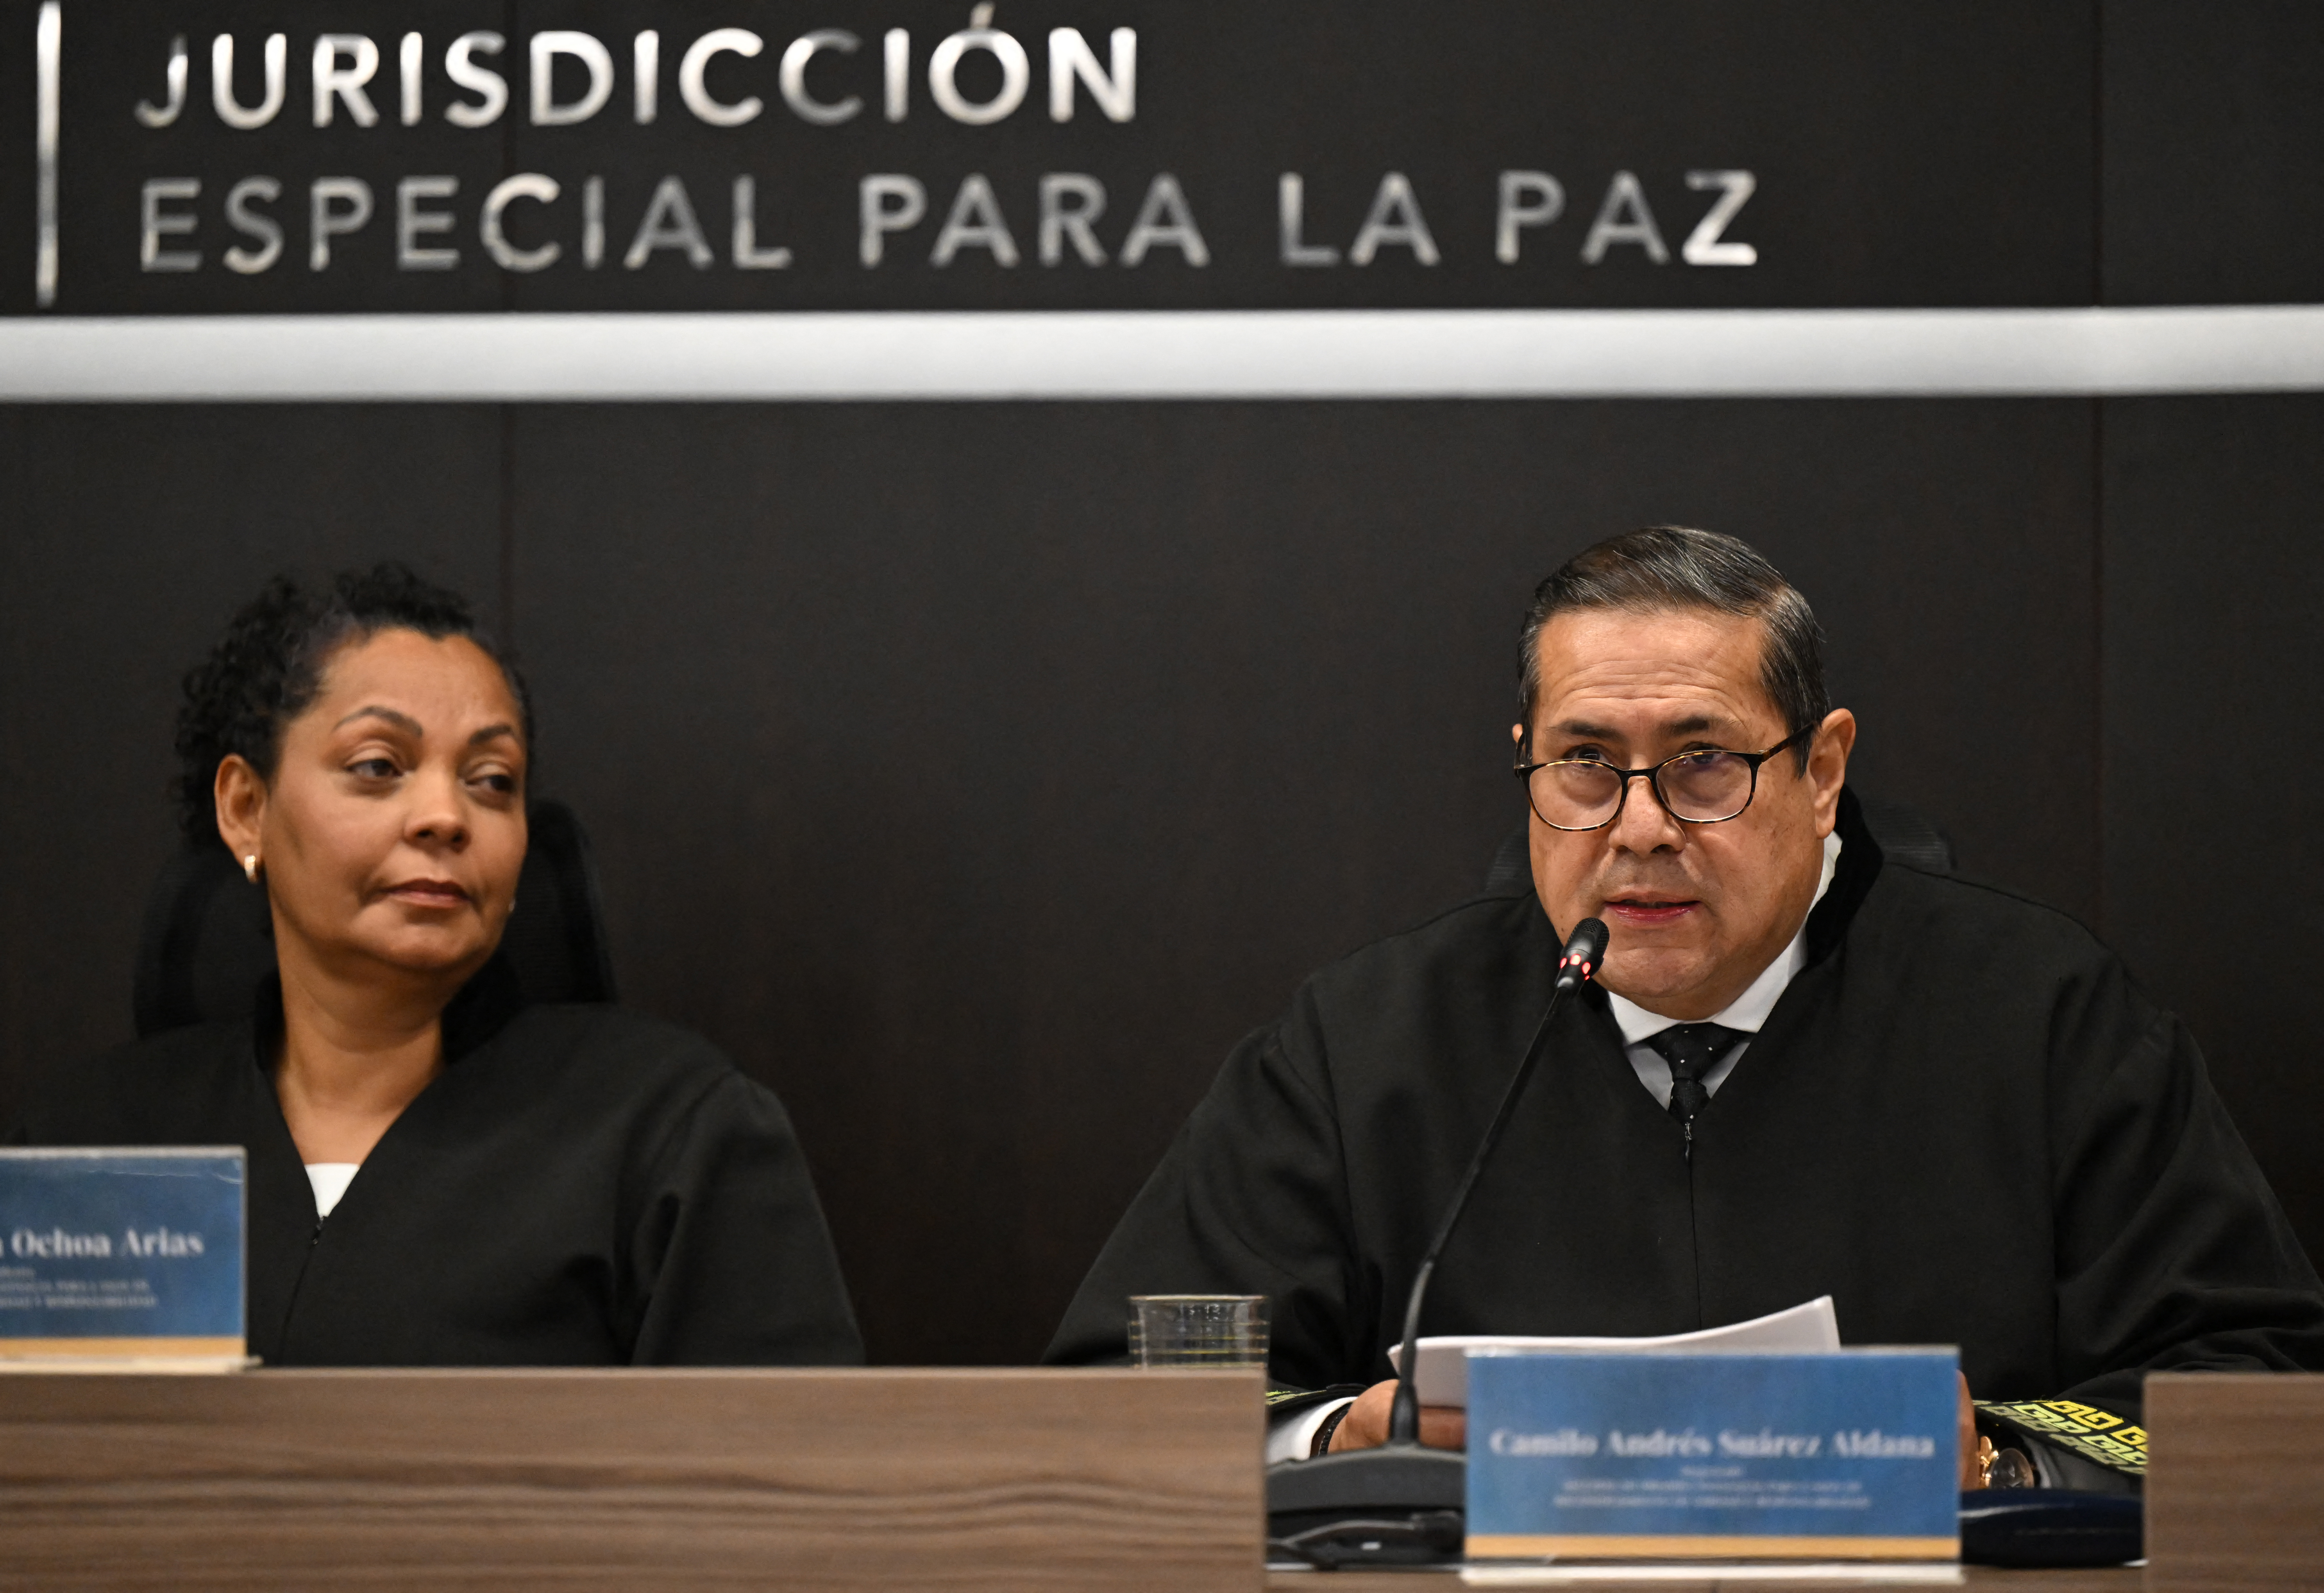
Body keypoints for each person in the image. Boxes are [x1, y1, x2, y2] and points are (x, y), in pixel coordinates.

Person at [1044, 525, 2324, 1466]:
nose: (1641, 826)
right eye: (1586, 764)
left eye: (1704, 762)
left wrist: (1999, 1456)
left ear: (1823, 772)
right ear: (1527, 765)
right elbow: (1127, 1392)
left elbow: (2253, 1381)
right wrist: (1344, 1437)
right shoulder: (1367, 1040)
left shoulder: (2047, 1018)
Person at [7, 564, 862, 1367]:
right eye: (378, 767)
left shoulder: (670, 1132)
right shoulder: (85, 1147)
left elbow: (786, 1466)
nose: (446, 817)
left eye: (492, 781)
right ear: (246, 809)